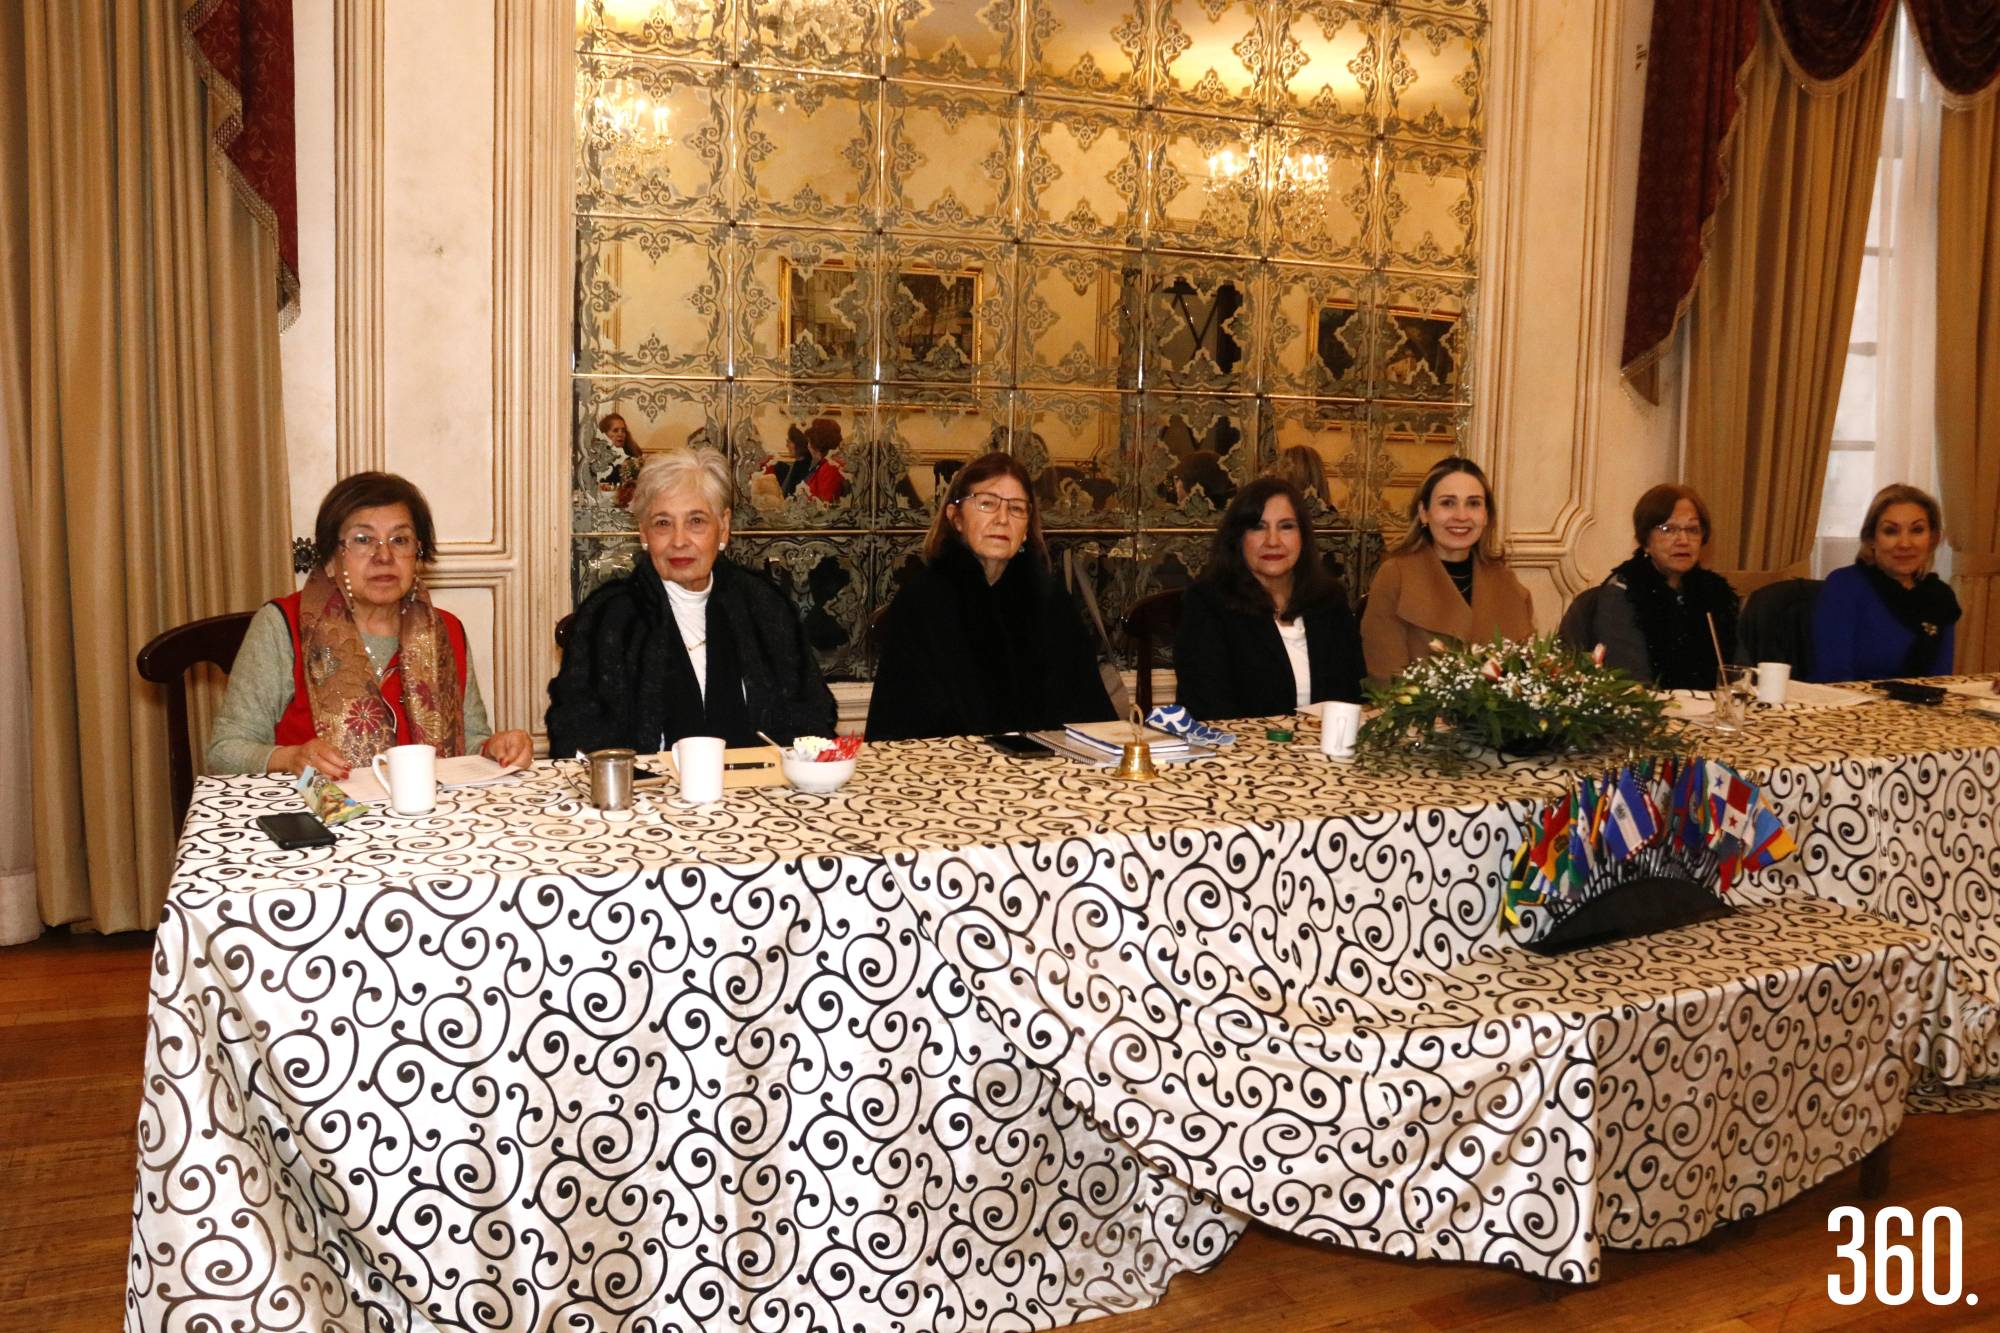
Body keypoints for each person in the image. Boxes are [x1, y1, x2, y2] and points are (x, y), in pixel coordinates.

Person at [207, 473, 532, 778]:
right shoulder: (284, 625)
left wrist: (495, 750)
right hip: (316, 822)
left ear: (418, 555)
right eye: (363, 539)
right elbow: (224, 752)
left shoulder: (445, 631)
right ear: (332, 559)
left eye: (400, 540)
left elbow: (470, 744)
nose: (384, 556)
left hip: (427, 823)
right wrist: (290, 758)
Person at [546, 448, 837, 754]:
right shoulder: (610, 618)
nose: (679, 540)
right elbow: (576, 735)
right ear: (643, 533)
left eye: (696, 521)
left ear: (723, 527)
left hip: (759, 791)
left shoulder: (764, 606)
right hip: (647, 796)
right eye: (662, 523)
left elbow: (811, 721)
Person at [866, 451, 1115, 741]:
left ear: (1025, 530)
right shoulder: (924, 601)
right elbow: (903, 725)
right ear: (955, 518)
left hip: (1045, 769)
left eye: (1017, 509)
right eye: (987, 504)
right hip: (948, 771)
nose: (1002, 519)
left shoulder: (1050, 599)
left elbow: (1087, 712)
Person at [1174, 477, 1365, 721]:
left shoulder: (1329, 600)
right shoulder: (1207, 603)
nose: (1273, 541)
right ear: (1238, 538)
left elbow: (1354, 694)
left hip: (1326, 752)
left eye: (1286, 526)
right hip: (1240, 753)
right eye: (1258, 527)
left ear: (1303, 536)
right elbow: (1208, 709)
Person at [1360, 456, 1533, 682]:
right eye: (1447, 503)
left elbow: (1527, 676)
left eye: (1473, 503)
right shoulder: (1396, 576)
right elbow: (1385, 678)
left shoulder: (1507, 582)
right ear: (1424, 512)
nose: (1461, 516)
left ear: (1486, 515)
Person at [1558, 484, 1738, 688]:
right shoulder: (1623, 594)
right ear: (1645, 540)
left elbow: (1739, 672)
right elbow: (1630, 681)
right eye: (1668, 529)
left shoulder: (1715, 594)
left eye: (1692, 529)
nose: (1683, 540)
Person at [1808, 483, 1960, 681]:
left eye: (1917, 530)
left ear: (1932, 539)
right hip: (1849, 707)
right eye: (1891, 531)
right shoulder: (1845, 586)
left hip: (1920, 709)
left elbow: (1939, 680)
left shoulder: (1940, 597)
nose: (1905, 543)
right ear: (1871, 538)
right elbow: (1834, 678)